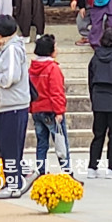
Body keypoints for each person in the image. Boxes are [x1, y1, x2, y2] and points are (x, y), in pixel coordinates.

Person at [0, 15, 31, 199]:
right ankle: (20, 176)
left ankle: (14, 184)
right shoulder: (4, 47)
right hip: (5, 105)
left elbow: (10, 78)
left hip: (13, 105)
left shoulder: (12, 49)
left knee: (10, 148)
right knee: (4, 146)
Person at [87, 28, 112, 179]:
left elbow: (90, 79)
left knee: (98, 135)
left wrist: (93, 97)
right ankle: (111, 168)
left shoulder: (95, 58)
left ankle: (92, 167)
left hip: (99, 98)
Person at [29, 35, 70, 176]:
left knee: (41, 143)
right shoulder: (52, 68)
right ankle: (66, 172)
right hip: (51, 110)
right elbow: (56, 91)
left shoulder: (32, 68)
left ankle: (41, 172)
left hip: (37, 109)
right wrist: (59, 111)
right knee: (61, 142)